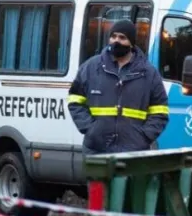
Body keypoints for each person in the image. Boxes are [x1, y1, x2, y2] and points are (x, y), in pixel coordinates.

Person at [67, 19, 169, 154]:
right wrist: (90, 129)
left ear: (132, 43)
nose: (116, 41)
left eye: (122, 38)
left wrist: (144, 136)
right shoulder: (90, 67)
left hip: (133, 151)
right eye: (113, 36)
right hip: (97, 150)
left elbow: (160, 111)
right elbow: (75, 101)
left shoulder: (149, 73)